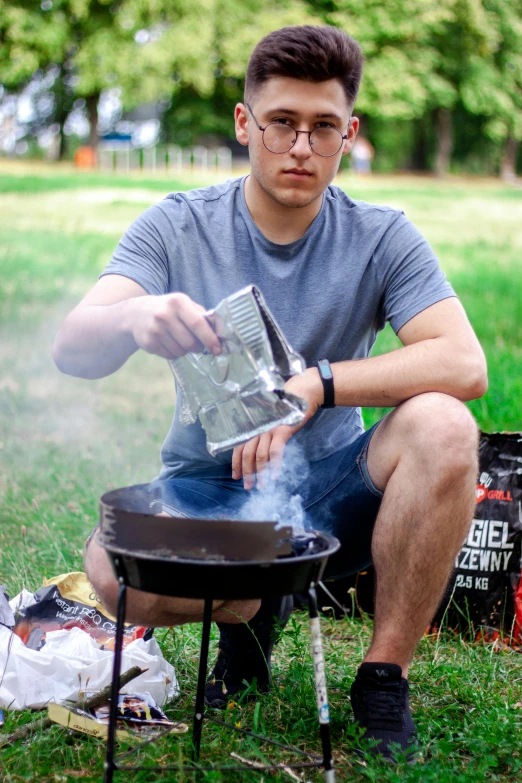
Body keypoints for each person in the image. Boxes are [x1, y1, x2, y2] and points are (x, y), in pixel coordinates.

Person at [53, 25, 487, 761]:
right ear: (244, 124)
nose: (300, 147)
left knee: (445, 424)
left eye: (323, 128)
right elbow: (73, 346)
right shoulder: (177, 222)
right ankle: (252, 608)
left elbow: (465, 363)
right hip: (206, 494)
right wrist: (133, 316)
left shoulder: (382, 235)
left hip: (322, 497)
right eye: (282, 122)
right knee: (105, 568)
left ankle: (384, 675)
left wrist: (320, 384)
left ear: (349, 134)